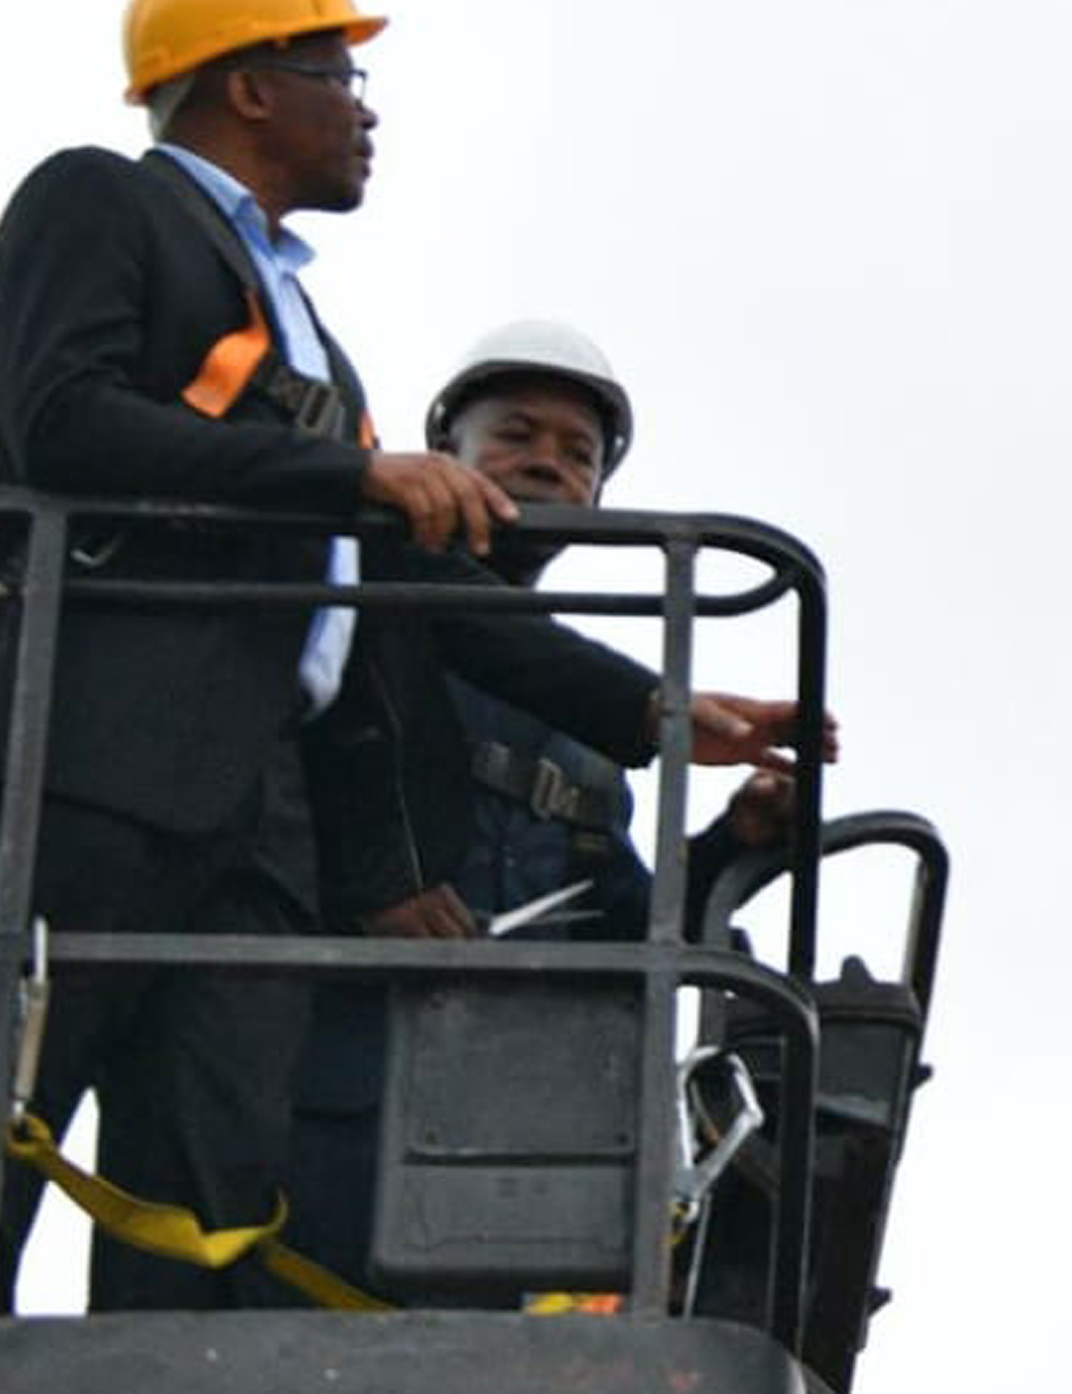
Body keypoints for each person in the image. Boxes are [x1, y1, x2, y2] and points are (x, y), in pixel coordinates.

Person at [0, 0, 794, 1327]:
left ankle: (163, 1373)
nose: (363, 110)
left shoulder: (313, 339)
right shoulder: (98, 202)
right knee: (4, 1076)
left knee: (212, 1158)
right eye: (339, 76)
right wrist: (349, 477)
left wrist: (658, 712)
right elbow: (60, 417)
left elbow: (399, 601)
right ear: (249, 85)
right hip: (101, 750)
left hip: (260, 810)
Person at [281, 319, 827, 1292]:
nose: (546, 462)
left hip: (497, 1135)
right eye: (516, 433)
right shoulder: (347, 612)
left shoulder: (581, 722)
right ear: (441, 453)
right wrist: (374, 881)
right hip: (323, 1086)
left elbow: (614, 922)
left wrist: (730, 842)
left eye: (577, 453)